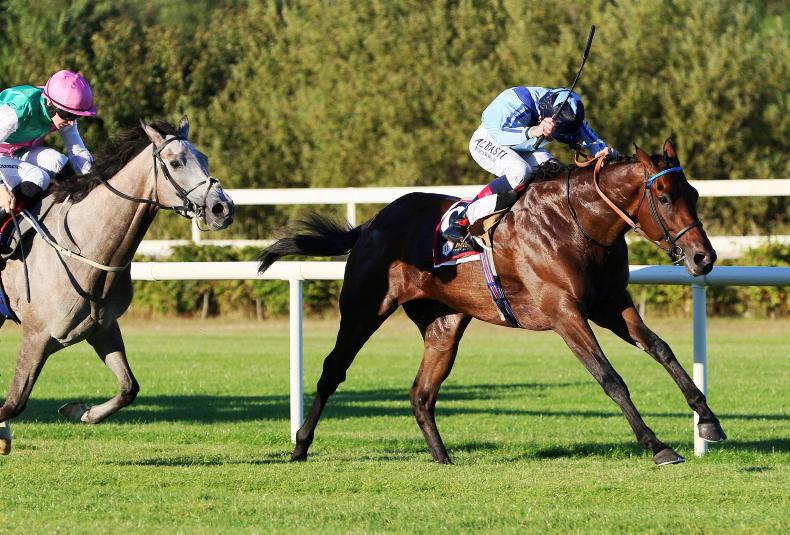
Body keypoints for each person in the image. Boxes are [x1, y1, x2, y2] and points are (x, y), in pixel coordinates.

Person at [442, 86, 617, 242]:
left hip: (523, 145)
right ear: (542, 116)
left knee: (554, 171)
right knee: (519, 171)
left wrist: (602, 151)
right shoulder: (514, 100)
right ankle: (463, 217)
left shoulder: (566, 106)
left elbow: (590, 139)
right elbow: (500, 135)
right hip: (489, 140)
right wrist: (534, 130)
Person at [0, 70, 97, 216]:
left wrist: (96, 178)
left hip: (17, 152)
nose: (71, 121)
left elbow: (78, 152)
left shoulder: (60, 111)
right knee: (38, 177)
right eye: (68, 115)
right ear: (50, 103)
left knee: (58, 161)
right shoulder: (19, 109)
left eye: (76, 116)